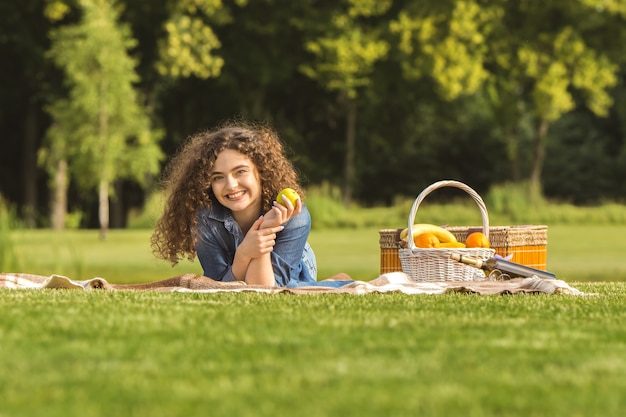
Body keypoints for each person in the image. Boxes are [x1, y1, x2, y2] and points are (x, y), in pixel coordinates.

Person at [151, 121, 353, 288]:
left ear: (261, 171)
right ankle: (332, 283)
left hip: (294, 269)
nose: (231, 185)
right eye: (218, 177)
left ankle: (328, 283)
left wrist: (267, 228)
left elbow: (266, 289)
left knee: (289, 289)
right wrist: (244, 253)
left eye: (240, 172)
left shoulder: (294, 215)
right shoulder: (204, 219)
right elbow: (217, 286)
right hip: (248, 273)